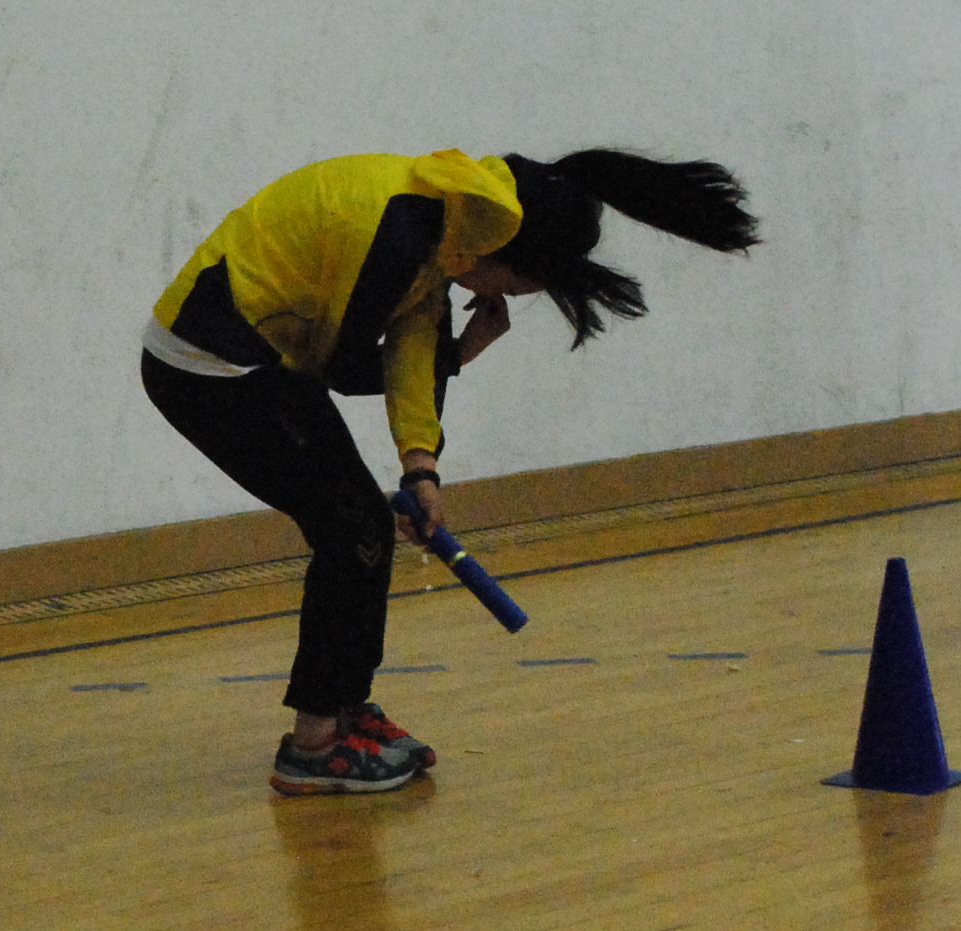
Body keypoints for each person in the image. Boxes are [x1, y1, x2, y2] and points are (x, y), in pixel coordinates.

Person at [141, 149, 756, 793]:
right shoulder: (398, 235)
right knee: (352, 533)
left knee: (363, 529)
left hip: (265, 358)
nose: (497, 299)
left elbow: (410, 347)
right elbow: (344, 369)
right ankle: (313, 746)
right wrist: (460, 354)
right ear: (502, 256)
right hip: (205, 367)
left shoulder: (446, 223)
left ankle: (344, 709)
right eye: (511, 289)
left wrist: (421, 470)